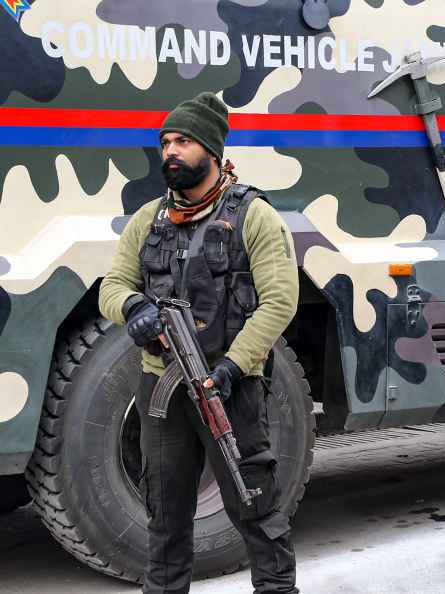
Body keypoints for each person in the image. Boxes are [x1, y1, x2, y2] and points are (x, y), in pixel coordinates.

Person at [98, 92, 300, 594]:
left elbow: (279, 302)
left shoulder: (254, 216)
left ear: (212, 150)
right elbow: (112, 287)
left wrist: (232, 367)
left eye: (183, 141)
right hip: (161, 390)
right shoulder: (149, 219)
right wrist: (135, 309)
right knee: (165, 514)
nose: (170, 150)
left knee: (255, 505)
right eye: (165, 141)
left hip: (229, 387)